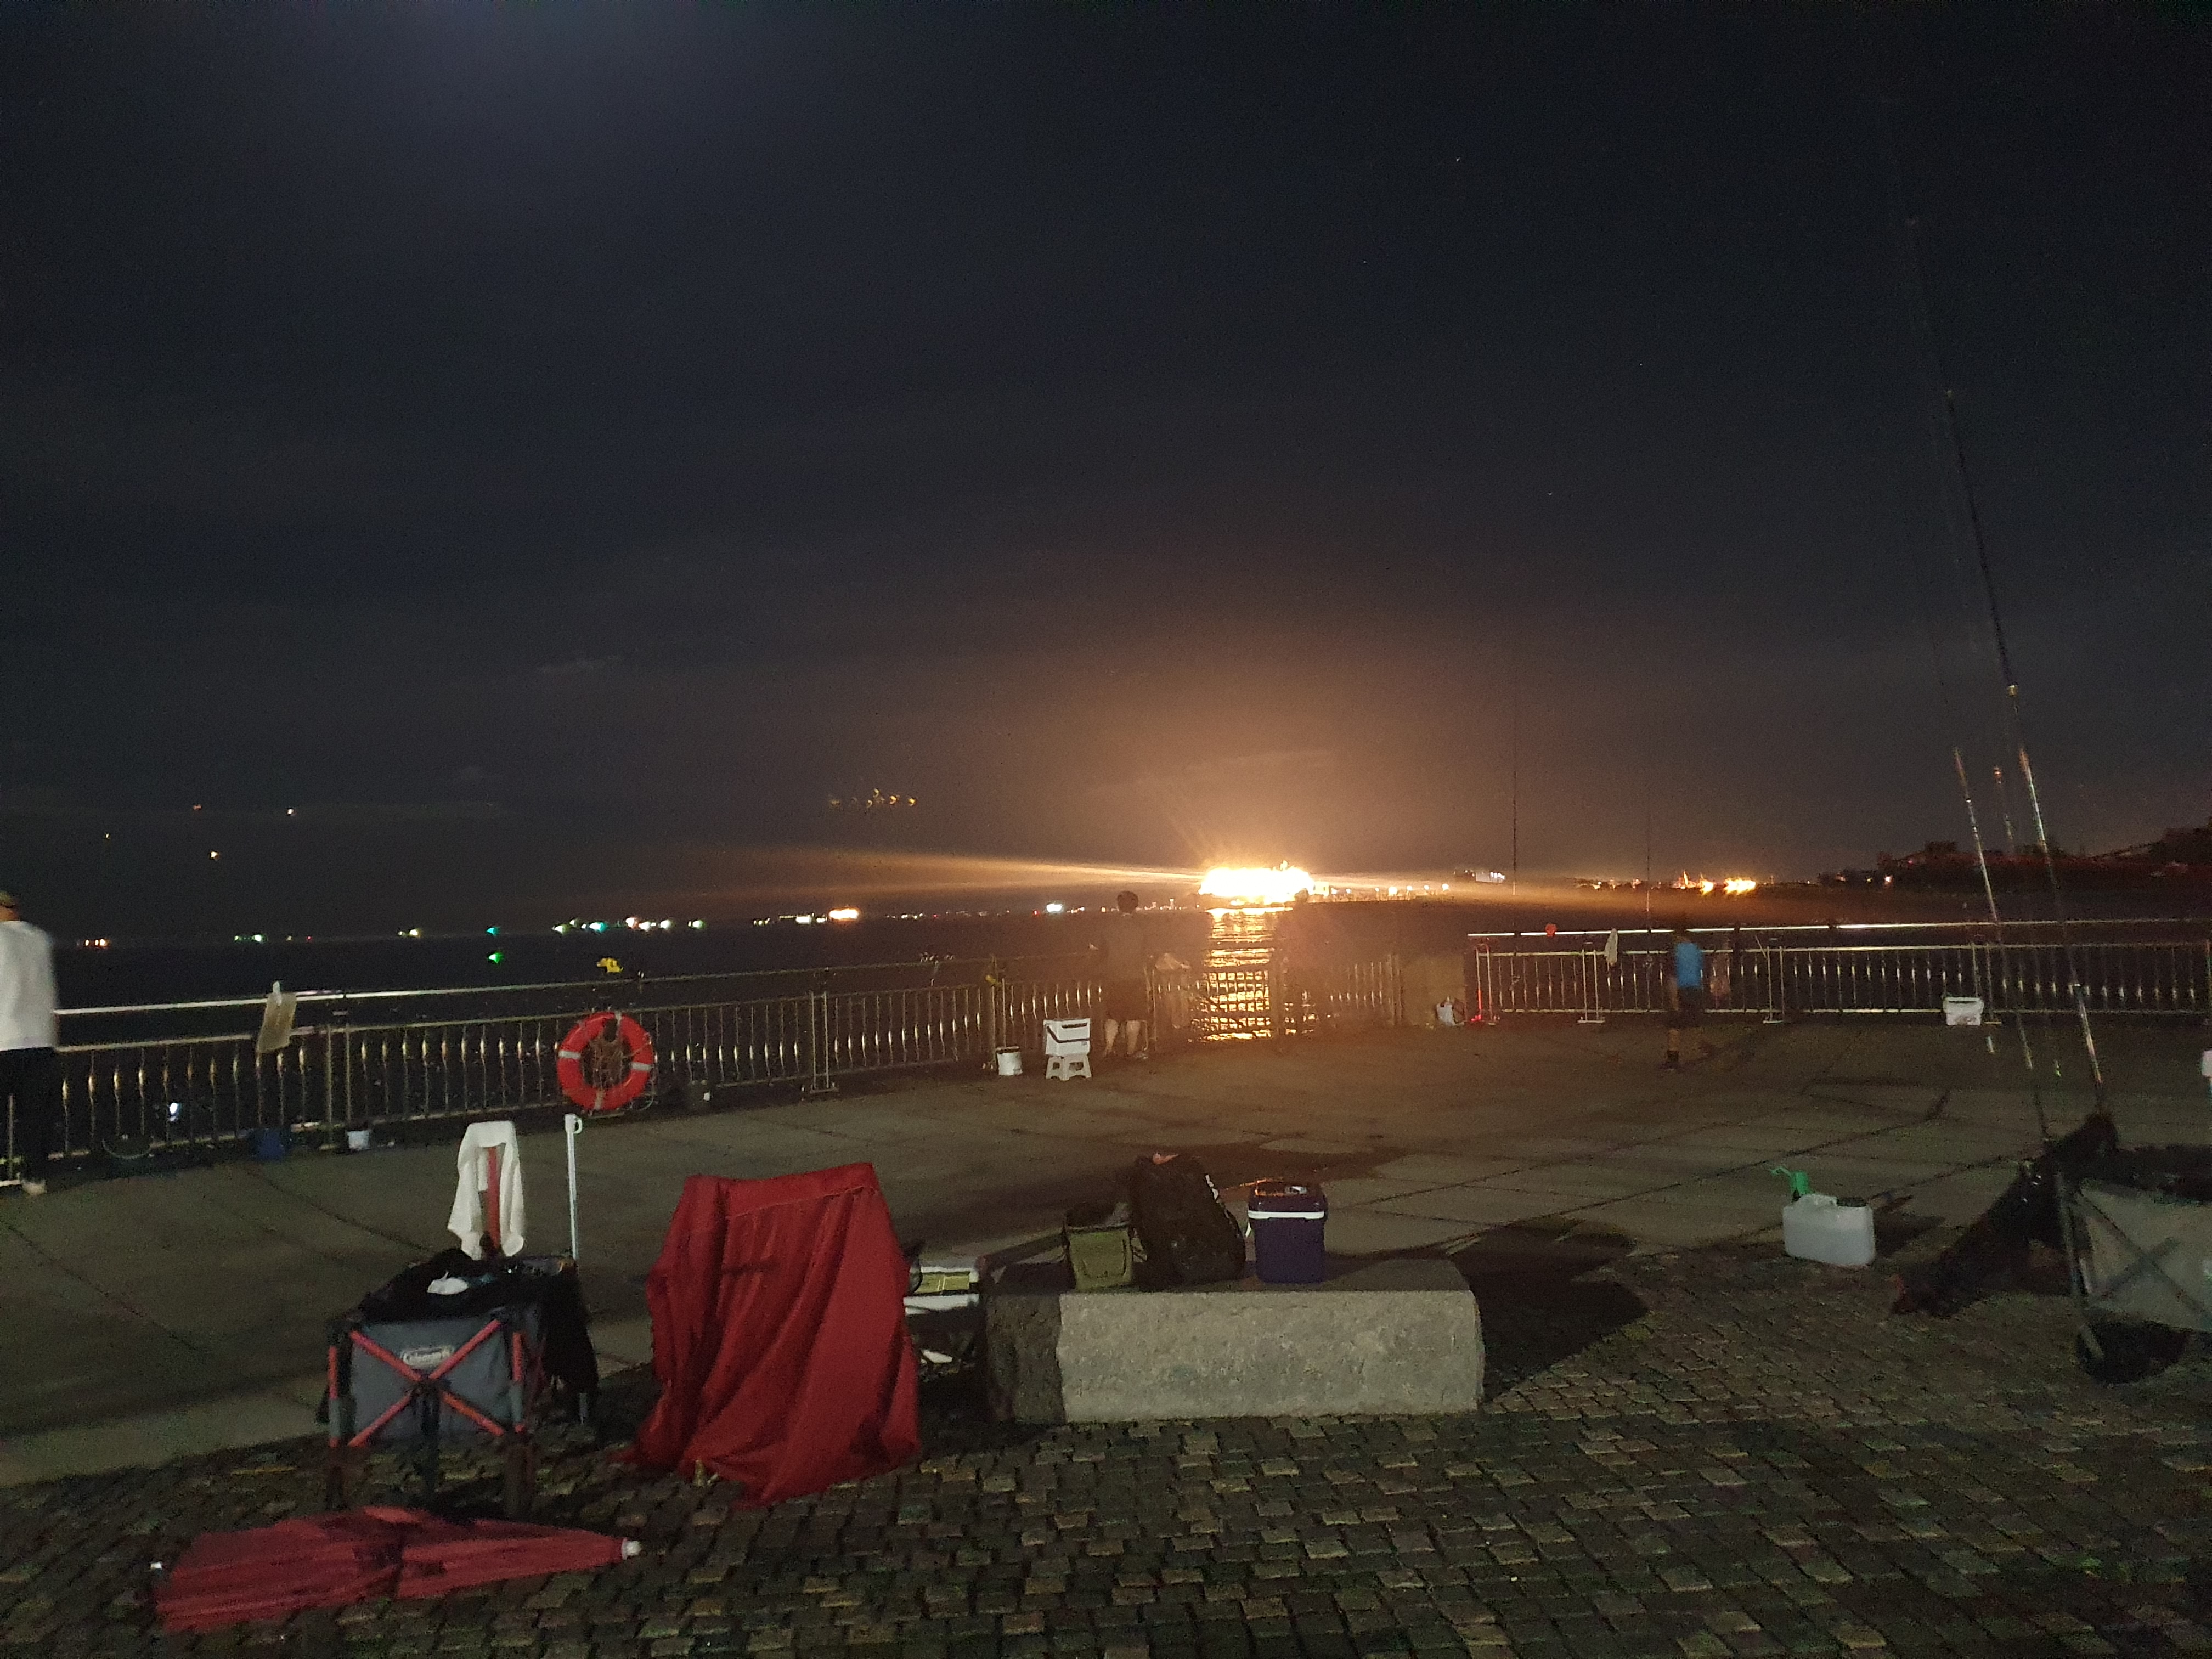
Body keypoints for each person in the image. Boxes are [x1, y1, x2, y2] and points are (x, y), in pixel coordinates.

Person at [0, 889, 60, 1196]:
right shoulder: (40, 939)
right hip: (40, 1040)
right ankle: (35, 1178)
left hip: (3, 1040)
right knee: (36, 1118)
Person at [1093, 891, 1150, 1059]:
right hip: (1136, 977)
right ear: (1136, 906)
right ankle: (1131, 1052)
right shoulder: (1141, 927)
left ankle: (1109, 1049)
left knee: (1112, 1016)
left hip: (1114, 977)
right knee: (1134, 1017)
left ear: (1118, 906)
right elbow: (1148, 952)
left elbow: (1096, 949)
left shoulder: (1108, 927)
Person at [1661, 923, 1716, 1072]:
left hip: (1681, 990)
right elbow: (1703, 971)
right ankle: (1704, 1047)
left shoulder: (1673, 952)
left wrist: (1673, 1000)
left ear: (1676, 937)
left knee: (1674, 1026)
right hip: (1696, 990)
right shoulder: (1697, 950)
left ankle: (1673, 1060)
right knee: (1695, 1021)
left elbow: (1672, 977)